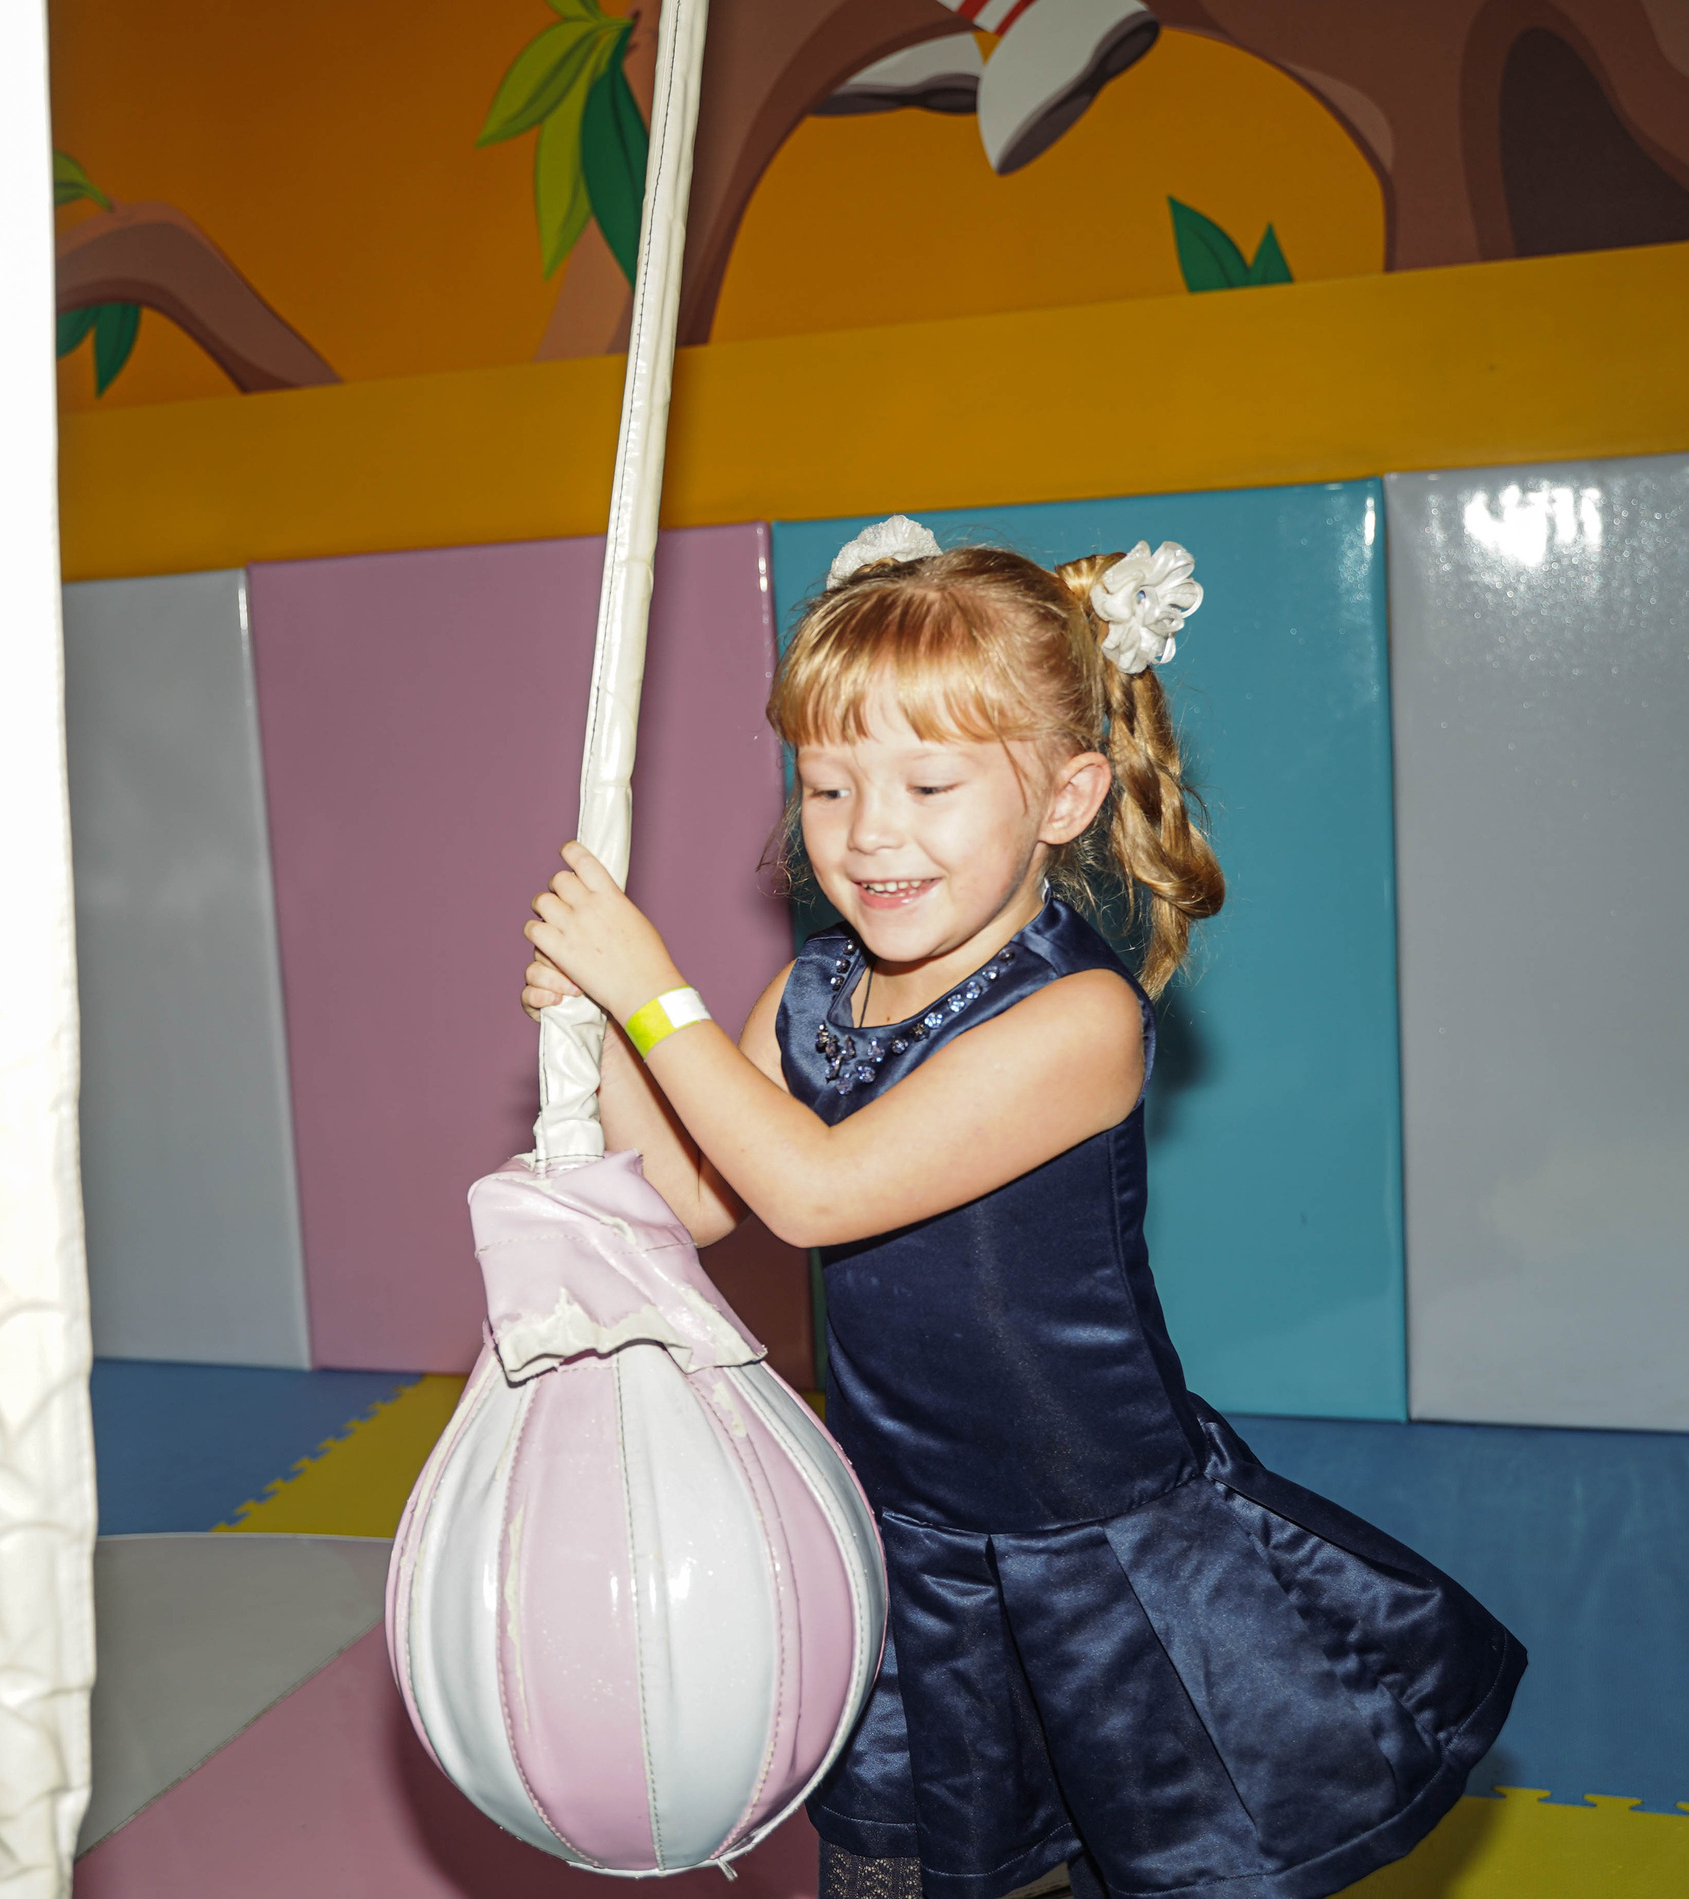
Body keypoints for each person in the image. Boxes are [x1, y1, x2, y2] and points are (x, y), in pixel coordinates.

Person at [517, 518, 1522, 1899]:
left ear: (1064, 797)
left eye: (929, 786)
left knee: (1145, 1860)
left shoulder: (1077, 1018)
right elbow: (700, 1201)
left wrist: (652, 993)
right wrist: (608, 1039)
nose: (870, 835)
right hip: (906, 1538)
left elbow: (812, 1196)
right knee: (899, 1865)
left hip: (1098, 1551)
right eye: (828, 789)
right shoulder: (812, 994)